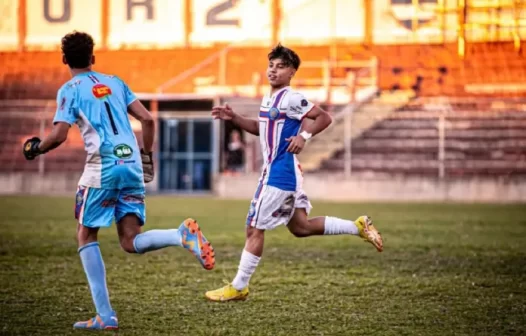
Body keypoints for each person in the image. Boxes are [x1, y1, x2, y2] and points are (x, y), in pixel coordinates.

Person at [22, 31, 215, 330]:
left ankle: (106, 316)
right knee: (129, 240)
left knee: (86, 236)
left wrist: (36, 149)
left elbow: (59, 135)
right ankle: (180, 236)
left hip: (103, 167)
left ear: (64, 59)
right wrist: (147, 157)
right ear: (93, 57)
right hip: (133, 164)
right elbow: (148, 120)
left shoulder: (69, 89)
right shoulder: (115, 81)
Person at [205, 44, 383, 302]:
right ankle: (357, 227)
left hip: (278, 173)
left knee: (254, 229)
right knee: (300, 227)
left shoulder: (291, 97)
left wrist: (304, 135)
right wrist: (234, 118)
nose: (273, 71)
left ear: (292, 73)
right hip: (287, 173)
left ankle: (239, 286)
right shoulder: (270, 99)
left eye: (280, 67)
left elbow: (323, 117)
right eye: (271, 66)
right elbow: (260, 128)